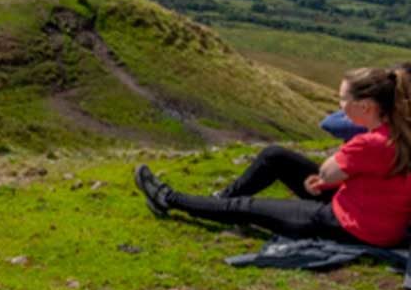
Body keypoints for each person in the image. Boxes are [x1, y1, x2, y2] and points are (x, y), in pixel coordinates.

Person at [134, 66, 411, 248]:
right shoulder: (397, 131)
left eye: (342, 100)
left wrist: (335, 168)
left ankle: (168, 199)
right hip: (377, 219)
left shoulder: (370, 142)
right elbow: (350, 177)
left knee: (247, 207)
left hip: (350, 225)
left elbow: (328, 172)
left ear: (365, 106)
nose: (339, 107)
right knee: (275, 156)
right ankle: (217, 202)